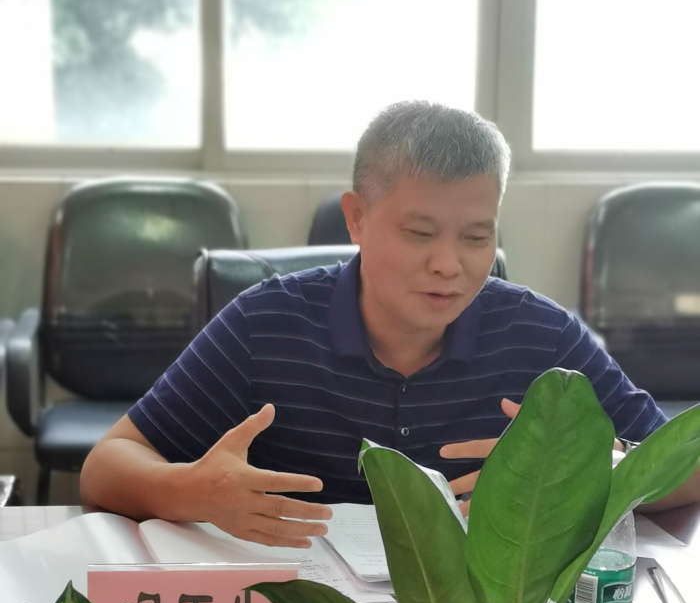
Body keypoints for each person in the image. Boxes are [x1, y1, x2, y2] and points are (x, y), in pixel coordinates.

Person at [80, 101, 699, 547]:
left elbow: (688, 464)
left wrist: (599, 472)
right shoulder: (264, 325)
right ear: (357, 218)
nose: (449, 264)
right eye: (420, 233)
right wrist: (192, 491)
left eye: (476, 237)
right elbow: (106, 467)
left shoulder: (542, 338)